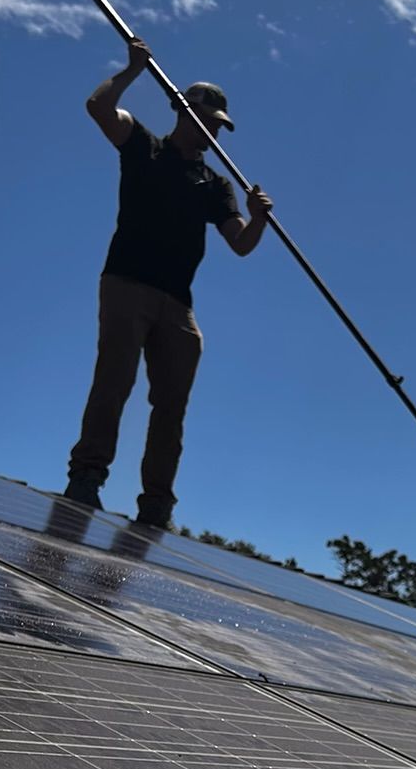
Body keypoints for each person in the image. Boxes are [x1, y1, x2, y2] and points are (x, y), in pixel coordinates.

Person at [62, 38, 272, 527]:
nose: (214, 134)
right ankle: (87, 477)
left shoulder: (215, 184)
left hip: (178, 301)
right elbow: (98, 106)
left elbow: (240, 244)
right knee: (114, 381)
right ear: (186, 111)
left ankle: (157, 503)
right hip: (126, 282)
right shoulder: (144, 147)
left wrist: (259, 217)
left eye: (219, 128)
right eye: (210, 123)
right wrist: (134, 68)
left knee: (171, 405)